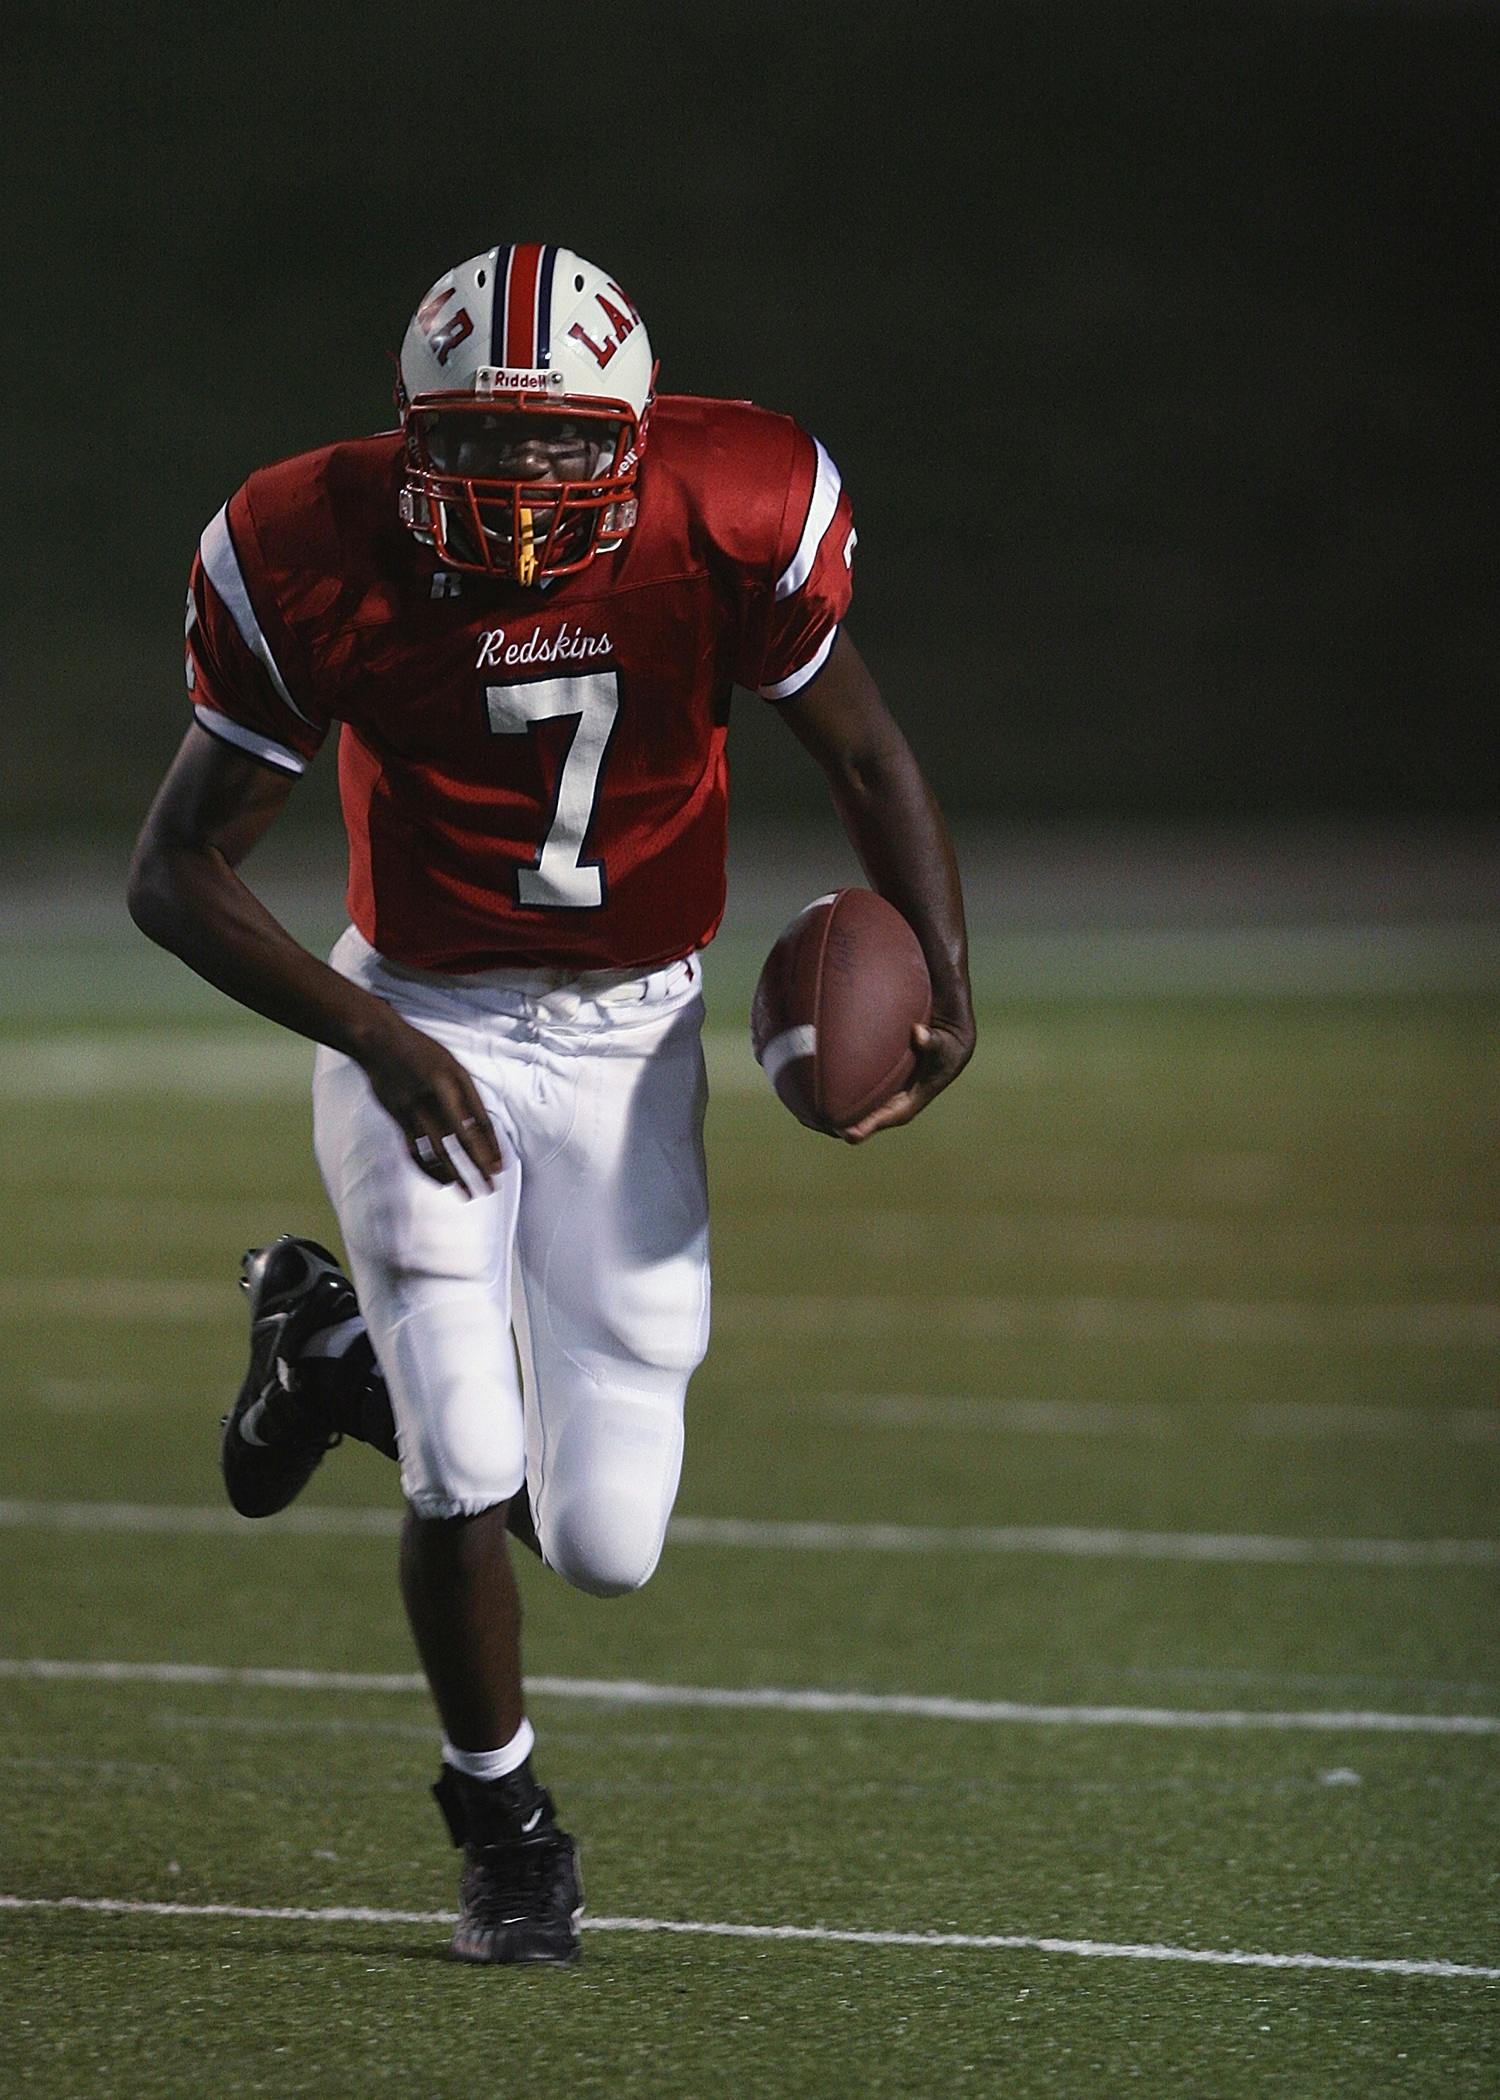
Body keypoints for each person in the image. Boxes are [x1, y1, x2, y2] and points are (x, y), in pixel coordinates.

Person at [128, 243, 975, 1966]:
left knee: (604, 1542)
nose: (517, 491)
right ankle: (502, 1818)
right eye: (479, 449)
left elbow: (869, 755)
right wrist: (371, 1034)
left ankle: (322, 1354)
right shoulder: (307, 544)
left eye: (560, 448)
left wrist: (950, 984)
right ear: (408, 436)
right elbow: (174, 873)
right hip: (420, 1012)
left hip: (635, 1032)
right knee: (466, 1469)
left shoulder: (735, 506)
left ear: (637, 434)